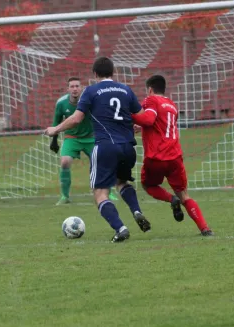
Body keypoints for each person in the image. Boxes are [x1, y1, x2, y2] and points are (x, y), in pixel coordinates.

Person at [45, 57, 151, 242]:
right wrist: (134, 126)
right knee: (122, 182)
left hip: (105, 147)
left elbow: (76, 118)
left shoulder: (91, 91)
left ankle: (121, 228)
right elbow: (141, 117)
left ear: (95, 74)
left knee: (100, 193)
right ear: (113, 72)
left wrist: (55, 129)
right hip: (128, 147)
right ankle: (136, 211)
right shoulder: (125, 89)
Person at [132, 75, 213, 236]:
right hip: (175, 156)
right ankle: (205, 229)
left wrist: (130, 116)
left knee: (148, 186)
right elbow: (158, 126)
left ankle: (171, 200)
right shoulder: (172, 105)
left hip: (156, 157)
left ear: (150, 89)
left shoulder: (151, 100)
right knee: (184, 194)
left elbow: (148, 120)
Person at [50, 77, 118, 205]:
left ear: (81, 88)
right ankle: (65, 196)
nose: (75, 89)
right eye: (72, 86)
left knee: (102, 163)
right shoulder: (61, 103)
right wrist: (54, 141)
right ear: (68, 89)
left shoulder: (89, 101)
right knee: (65, 162)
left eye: (77, 86)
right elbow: (56, 122)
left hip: (91, 137)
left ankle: (110, 192)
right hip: (72, 138)